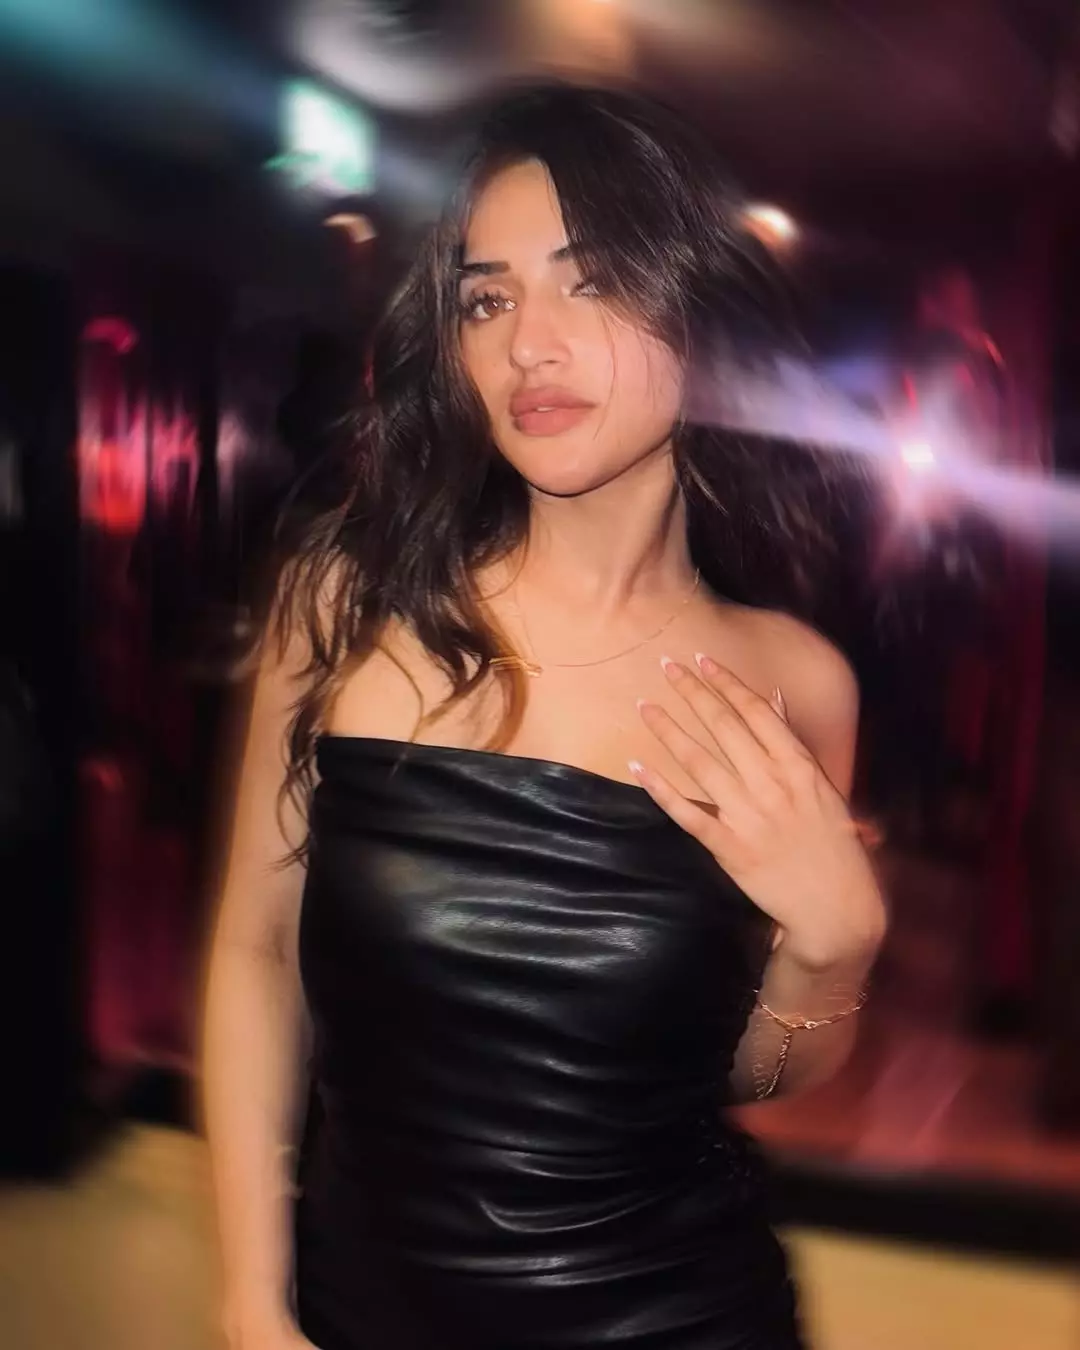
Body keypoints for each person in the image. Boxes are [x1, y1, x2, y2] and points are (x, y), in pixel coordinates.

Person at [202, 84, 886, 1350]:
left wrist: (832, 952)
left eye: (591, 281)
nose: (529, 344)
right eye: (488, 299)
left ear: (700, 311)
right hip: (360, 1313)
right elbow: (254, 951)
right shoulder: (349, 605)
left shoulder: (793, 682)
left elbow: (735, 1078)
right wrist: (250, 1294)